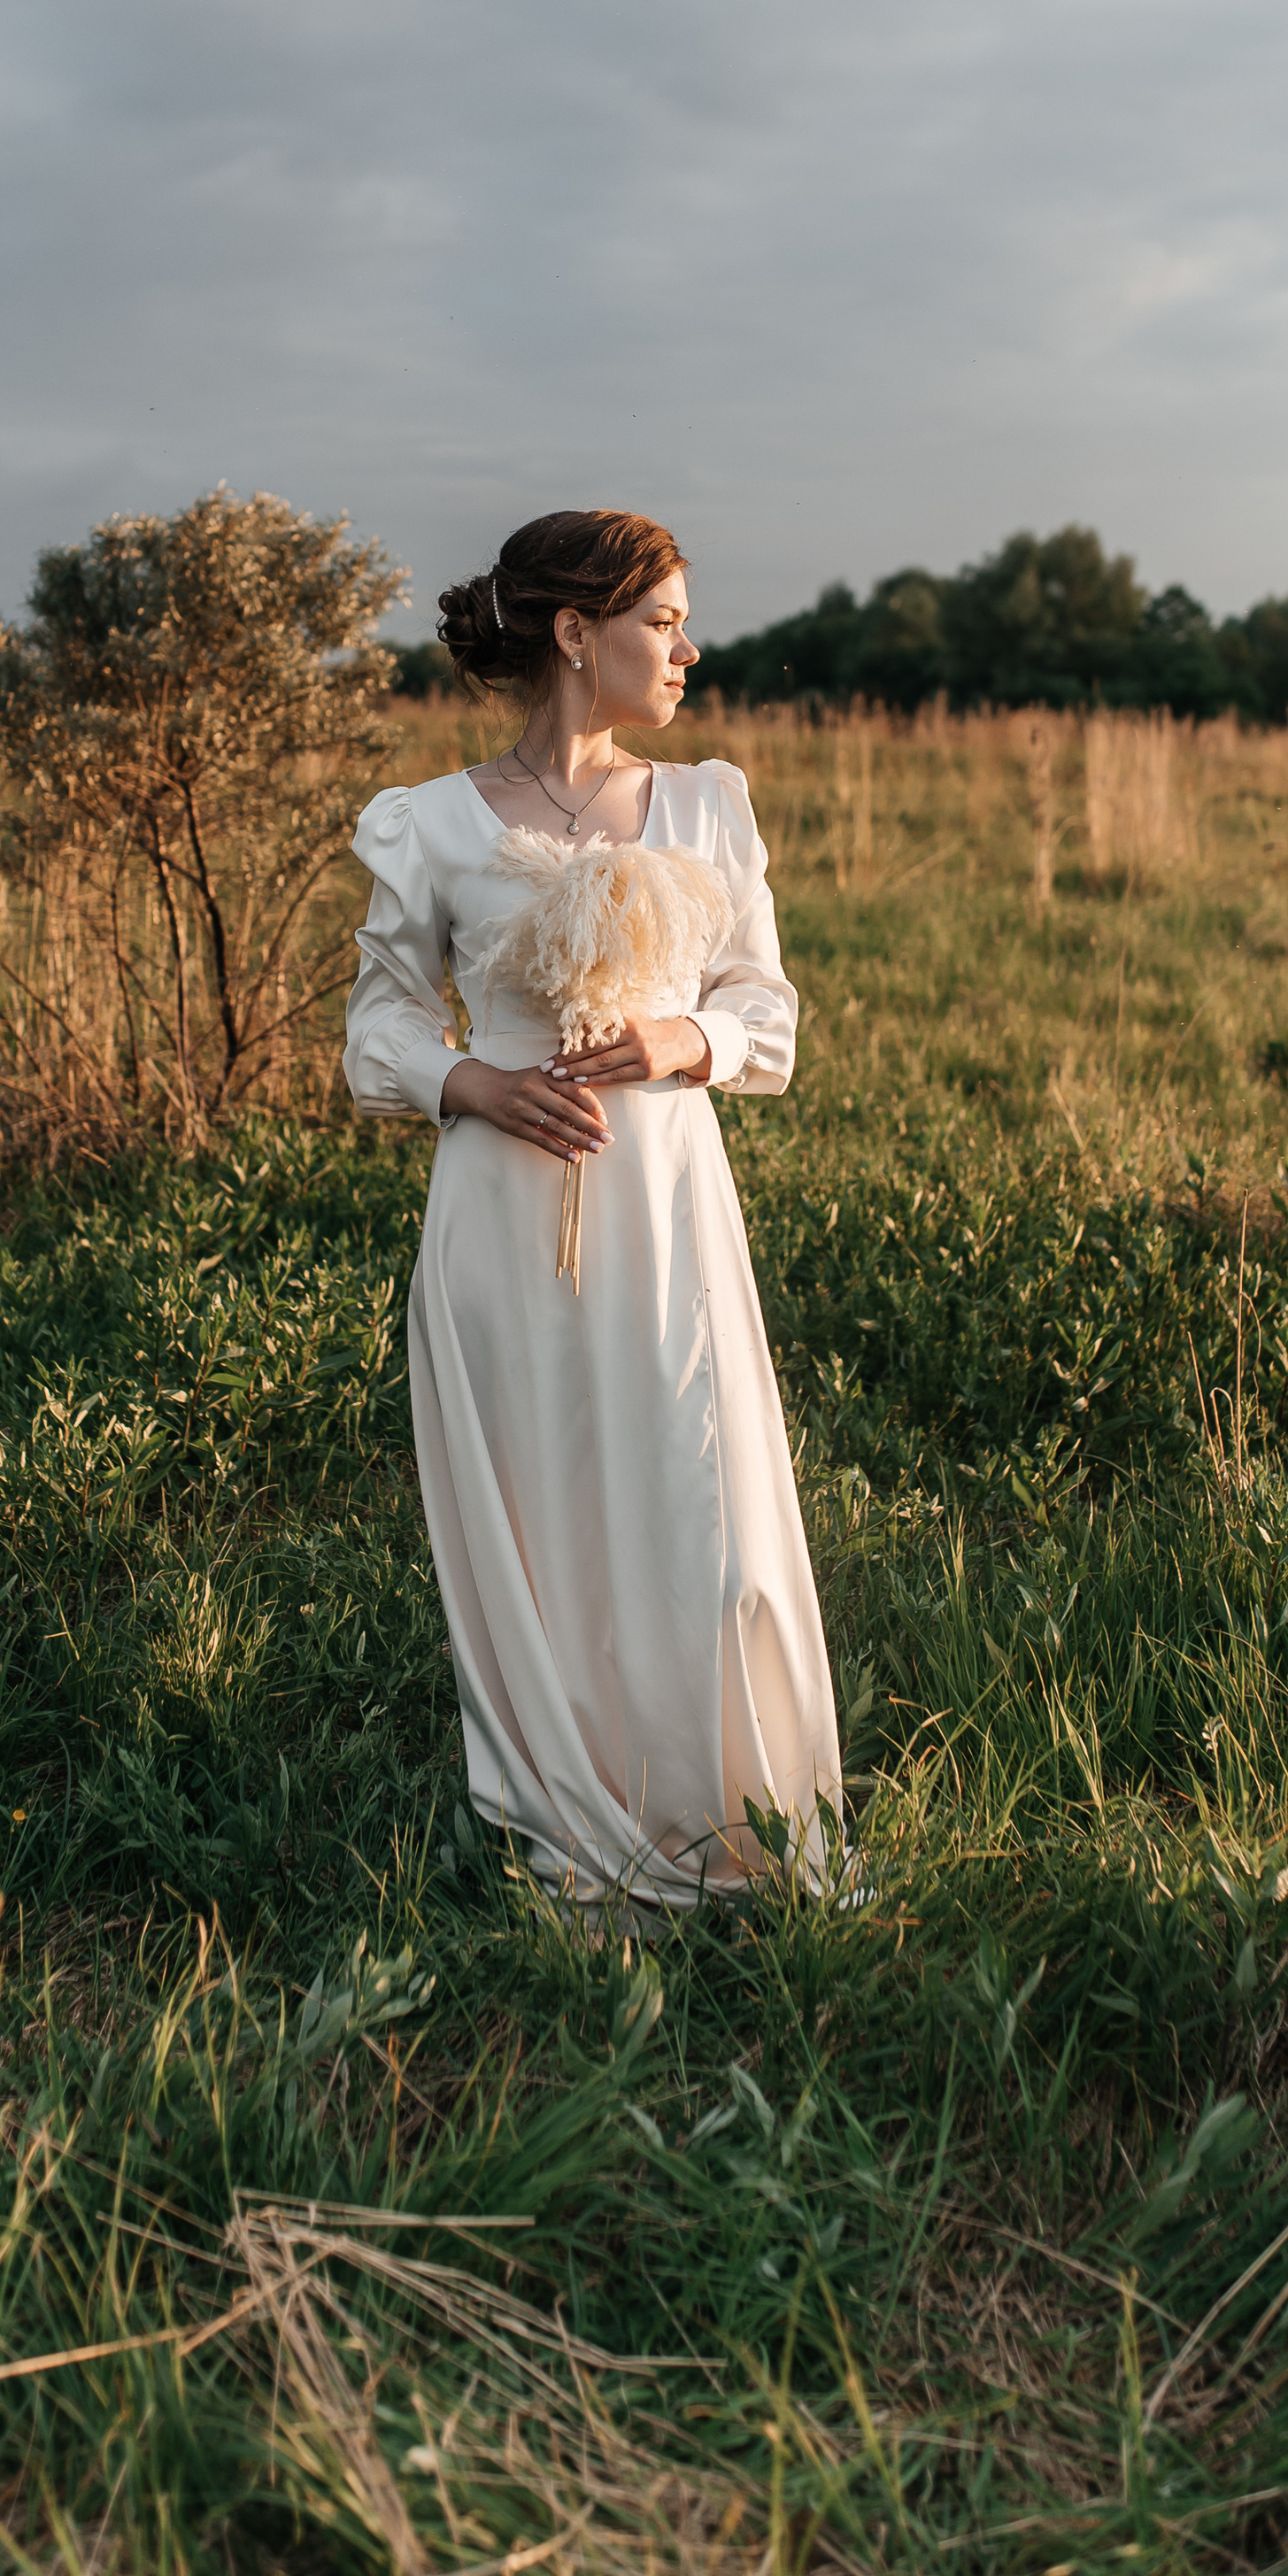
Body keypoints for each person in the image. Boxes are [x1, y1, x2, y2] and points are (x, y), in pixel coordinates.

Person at [343, 507, 845, 1908]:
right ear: (576, 633)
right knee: (545, 1508)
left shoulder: (703, 805)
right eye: (662, 621)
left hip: (670, 1210)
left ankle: (731, 1815)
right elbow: (374, 1036)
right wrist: (478, 1086)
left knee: (701, 1499)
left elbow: (765, 1014)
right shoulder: (430, 827)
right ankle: (571, 1822)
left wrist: (678, 1045)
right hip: (500, 1223)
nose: (688, 648)